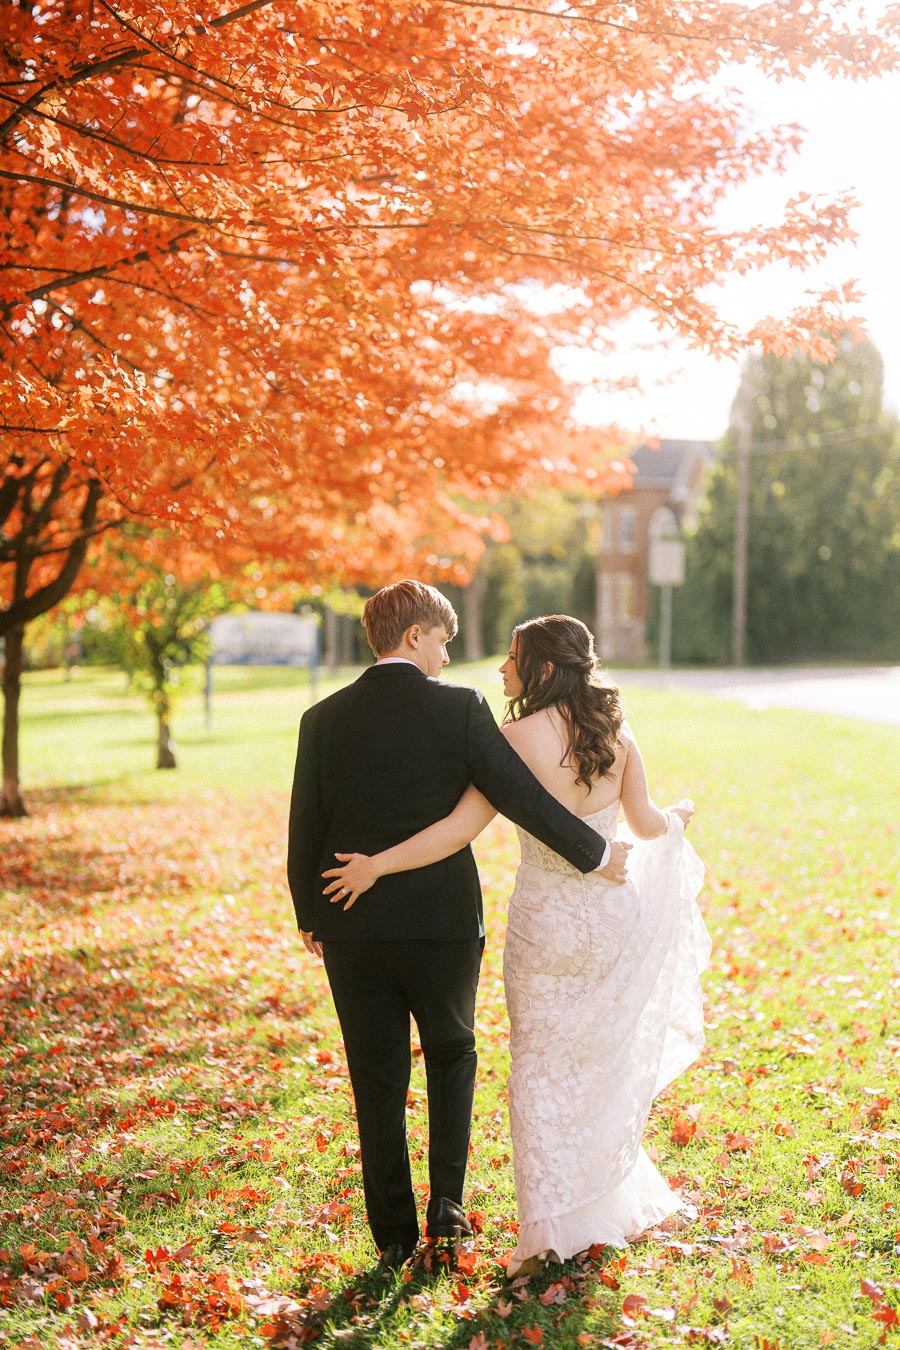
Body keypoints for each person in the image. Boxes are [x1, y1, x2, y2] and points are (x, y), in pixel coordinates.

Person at [323, 614, 711, 1277]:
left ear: (543, 669)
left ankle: (551, 1232)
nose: (503, 668)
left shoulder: (511, 740)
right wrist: (678, 817)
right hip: (607, 923)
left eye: (513, 657)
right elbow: (645, 827)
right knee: (597, 1063)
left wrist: (377, 864)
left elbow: (455, 831)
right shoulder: (616, 734)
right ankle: (604, 1199)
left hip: (544, 926)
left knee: (536, 1071)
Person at [287, 585, 630, 1271]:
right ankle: (447, 1201)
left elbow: (306, 829)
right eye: (442, 637)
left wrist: (310, 914)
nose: (448, 650)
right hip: (442, 921)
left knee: (374, 1076)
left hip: (351, 922)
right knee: (451, 1051)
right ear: (413, 636)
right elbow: (520, 796)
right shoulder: (461, 709)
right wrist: (593, 853)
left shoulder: (322, 717)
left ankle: (392, 1234)